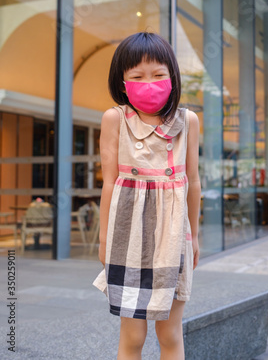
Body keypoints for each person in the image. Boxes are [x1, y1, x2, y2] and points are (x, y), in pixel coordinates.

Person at [92, 31, 201, 360]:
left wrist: (194, 237)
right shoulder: (115, 119)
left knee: (170, 331)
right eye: (137, 76)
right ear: (122, 81)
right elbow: (109, 182)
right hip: (128, 236)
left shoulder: (188, 121)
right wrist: (103, 239)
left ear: (172, 76)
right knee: (133, 335)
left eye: (158, 74)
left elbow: (192, 182)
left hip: (173, 235)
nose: (149, 82)